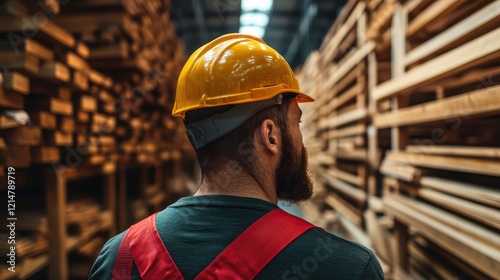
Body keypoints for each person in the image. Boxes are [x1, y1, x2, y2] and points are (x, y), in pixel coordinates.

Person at [89, 34, 384, 280]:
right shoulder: (348, 268)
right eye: (297, 123)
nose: (301, 140)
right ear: (270, 135)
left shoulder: (119, 259)